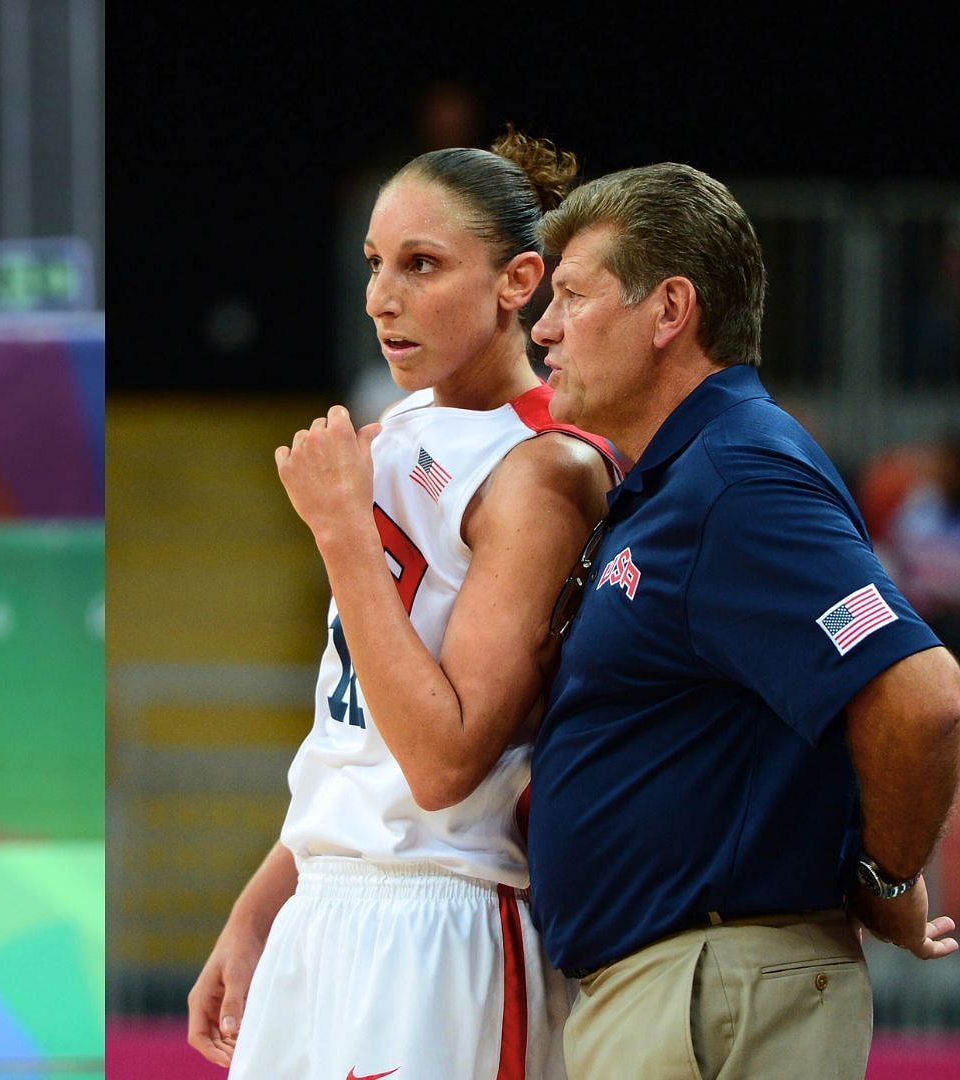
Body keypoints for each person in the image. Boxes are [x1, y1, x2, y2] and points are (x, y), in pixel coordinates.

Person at [187, 131, 621, 1079]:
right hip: (325, 905)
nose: (383, 296)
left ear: (519, 282)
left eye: (422, 265)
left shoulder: (543, 469)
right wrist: (263, 904)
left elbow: (443, 763)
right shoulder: (390, 434)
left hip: (448, 912)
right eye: (376, 263)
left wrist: (342, 535)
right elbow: (358, 734)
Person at [527, 163, 960, 1079]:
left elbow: (920, 695)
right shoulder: (687, 479)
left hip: (708, 990)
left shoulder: (737, 481)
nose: (544, 328)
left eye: (571, 294)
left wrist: (885, 875)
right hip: (692, 990)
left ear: (669, 310)